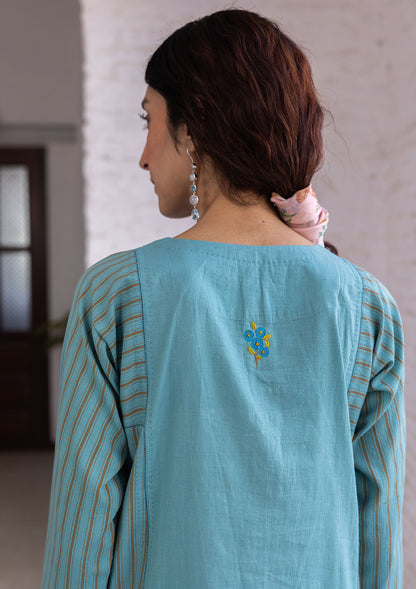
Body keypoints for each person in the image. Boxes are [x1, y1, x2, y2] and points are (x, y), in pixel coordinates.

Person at [41, 9, 405, 588]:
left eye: (149, 120)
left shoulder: (117, 297)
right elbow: (377, 532)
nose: (142, 155)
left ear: (194, 127)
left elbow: (81, 540)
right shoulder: (369, 308)